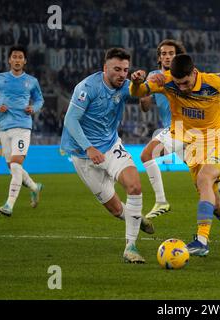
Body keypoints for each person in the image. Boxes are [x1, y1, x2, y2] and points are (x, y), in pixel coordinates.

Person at [130, 54, 220, 256]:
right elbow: (139, 93)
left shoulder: (213, 81)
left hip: (218, 142)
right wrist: (136, 82)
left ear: (194, 72)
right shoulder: (166, 81)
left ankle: (201, 240)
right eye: (178, 83)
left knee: (205, 177)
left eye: (185, 82)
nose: (182, 87)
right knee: (216, 204)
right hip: (192, 148)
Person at [60, 48, 154, 264]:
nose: (122, 74)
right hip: (84, 155)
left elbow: (146, 105)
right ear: (105, 68)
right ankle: (136, 218)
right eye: (117, 69)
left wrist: (141, 85)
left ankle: (130, 246)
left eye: (126, 70)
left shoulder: (127, 85)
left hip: (111, 147)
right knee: (116, 209)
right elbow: (70, 120)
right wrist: (88, 148)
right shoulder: (86, 87)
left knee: (134, 186)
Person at [139, 39, 220, 219]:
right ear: (159, 58)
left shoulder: (186, 78)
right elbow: (145, 105)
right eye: (163, 54)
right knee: (203, 174)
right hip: (176, 131)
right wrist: (143, 96)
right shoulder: (154, 77)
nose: (167, 57)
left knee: (146, 155)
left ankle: (161, 201)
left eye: (171, 54)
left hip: (184, 130)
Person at [0, 45, 44, 217]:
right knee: (12, 167)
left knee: (16, 164)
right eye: (14, 57)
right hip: (3, 127)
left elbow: (40, 99)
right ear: (9, 59)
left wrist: (34, 108)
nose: (17, 60)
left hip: (23, 126)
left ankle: (9, 205)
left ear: (24, 61)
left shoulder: (31, 81)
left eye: (20, 57)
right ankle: (34, 187)